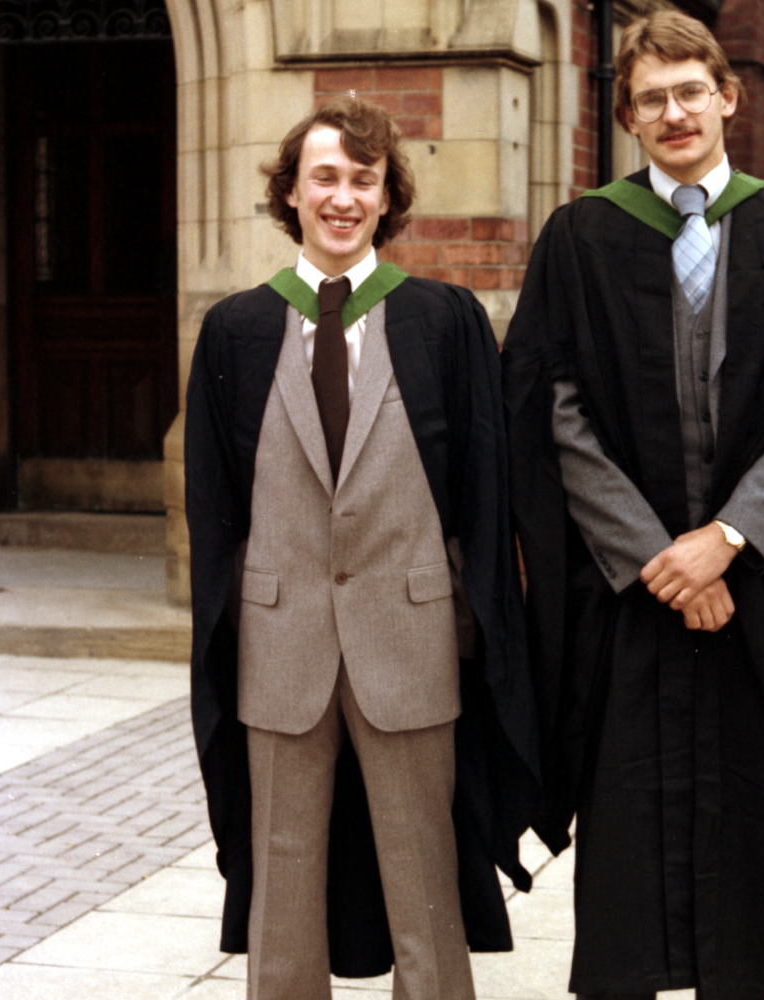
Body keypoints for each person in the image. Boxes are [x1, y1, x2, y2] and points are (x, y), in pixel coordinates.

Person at [503, 10, 764, 1000]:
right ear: (625, 113)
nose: (673, 113)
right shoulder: (582, 237)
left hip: (755, 594)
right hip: (629, 605)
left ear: (727, 95)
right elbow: (552, 410)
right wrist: (653, 558)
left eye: (689, 90)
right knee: (627, 849)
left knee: (753, 849)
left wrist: (726, 540)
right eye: (650, 98)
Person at [185, 97, 539, 1000]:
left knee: (424, 886)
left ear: (387, 199)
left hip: (410, 642)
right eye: (326, 179)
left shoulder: (444, 321)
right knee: (283, 895)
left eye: (363, 181)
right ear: (292, 194)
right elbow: (215, 513)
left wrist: (468, 621)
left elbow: (484, 495)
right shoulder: (237, 330)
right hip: (281, 645)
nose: (343, 198)